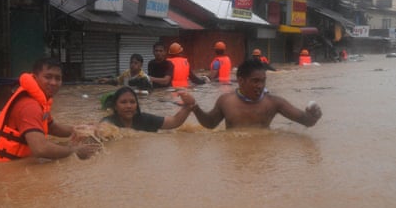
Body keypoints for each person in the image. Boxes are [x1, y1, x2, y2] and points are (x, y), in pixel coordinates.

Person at [0, 57, 100, 162]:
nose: (53, 82)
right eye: (48, 77)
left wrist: (79, 130)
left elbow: (52, 127)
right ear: (35, 78)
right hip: (0, 170)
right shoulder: (30, 106)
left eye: (58, 78)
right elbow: (40, 149)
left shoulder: (41, 101)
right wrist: (75, 151)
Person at [192, 60, 322, 129]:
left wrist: (313, 116)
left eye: (263, 81)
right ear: (241, 81)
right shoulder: (226, 101)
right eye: (255, 81)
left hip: (263, 158)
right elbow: (210, 124)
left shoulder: (273, 103)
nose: (260, 86)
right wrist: (195, 108)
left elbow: (306, 121)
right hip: (235, 159)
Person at [101, 86, 196, 132]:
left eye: (132, 102)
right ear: (115, 107)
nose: (129, 106)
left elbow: (174, 122)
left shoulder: (144, 119)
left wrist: (188, 106)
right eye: (123, 102)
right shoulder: (109, 122)